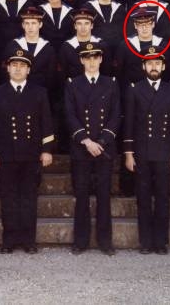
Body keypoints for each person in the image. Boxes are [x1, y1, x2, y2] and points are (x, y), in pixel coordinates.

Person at [0, 49, 55, 253]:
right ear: (8, 68)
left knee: (28, 199)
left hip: (31, 154)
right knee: (8, 199)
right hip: (6, 155)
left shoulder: (39, 92)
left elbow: (46, 123)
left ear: (28, 70)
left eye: (22, 65)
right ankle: (9, 241)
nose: (17, 69)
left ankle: (28, 240)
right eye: (14, 65)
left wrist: (47, 149)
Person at [123, 50, 170, 254]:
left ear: (163, 67)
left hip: (165, 151)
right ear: (143, 67)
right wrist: (129, 153)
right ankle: (146, 242)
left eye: (157, 63)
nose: (154, 67)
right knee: (143, 197)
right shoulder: (134, 89)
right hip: (141, 151)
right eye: (149, 64)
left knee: (163, 197)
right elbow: (129, 123)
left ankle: (161, 242)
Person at [64, 42, 121, 255]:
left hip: (104, 149)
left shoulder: (111, 83)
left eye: (95, 57)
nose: (91, 61)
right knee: (82, 195)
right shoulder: (72, 83)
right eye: (86, 58)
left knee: (104, 196)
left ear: (101, 59)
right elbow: (70, 115)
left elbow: (116, 115)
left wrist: (102, 142)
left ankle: (105, 242)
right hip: (82, 148)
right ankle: (81, 241)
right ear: (81, 60)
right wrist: (87, 141)